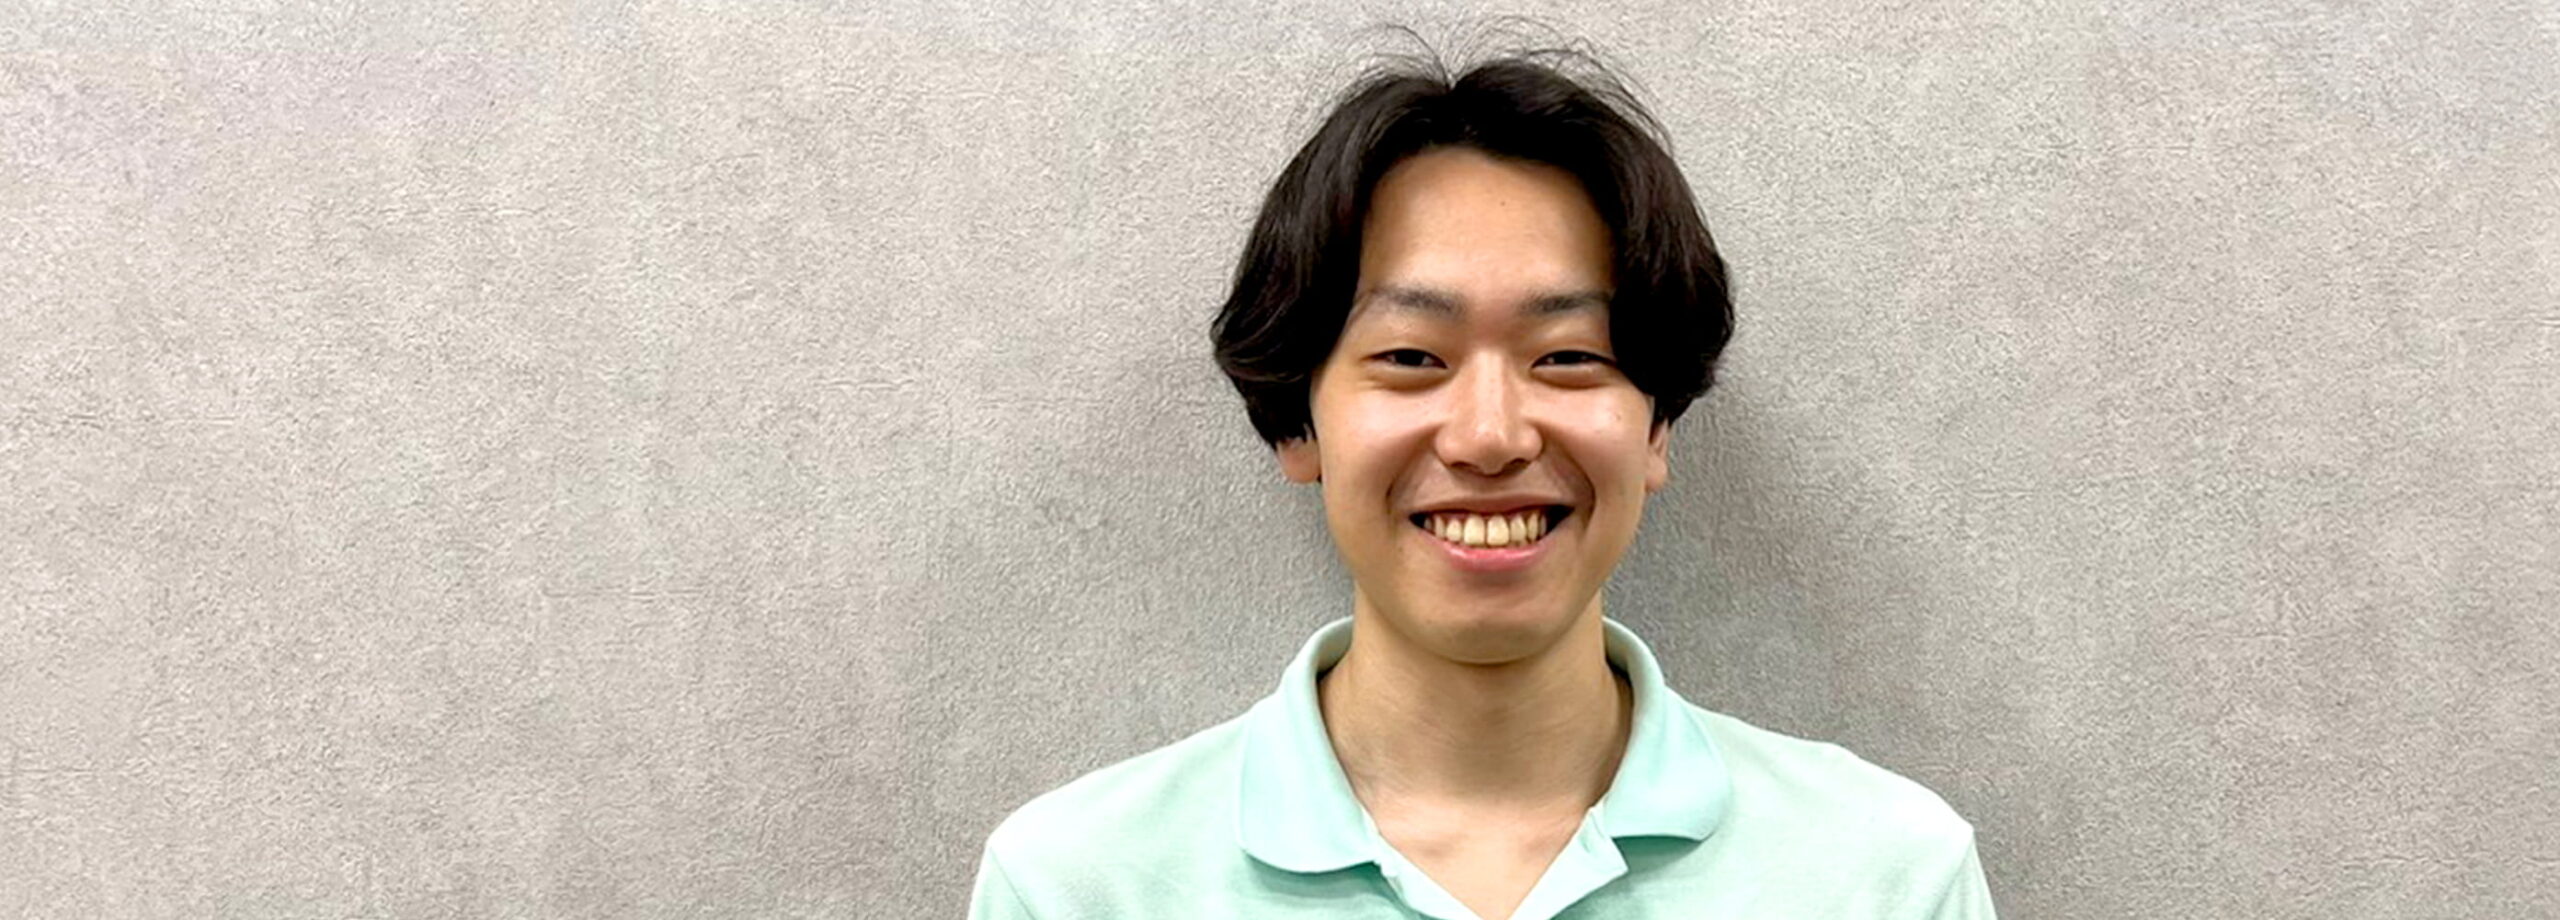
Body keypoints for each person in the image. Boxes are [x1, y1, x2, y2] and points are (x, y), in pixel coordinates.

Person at [967, 41, 1997, 920]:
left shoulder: (1883, 874)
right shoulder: (1076, 886)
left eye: (1569, 356)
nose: (1491, 436)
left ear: (1657, 426)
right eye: (1412, 356)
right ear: (1297, 421)